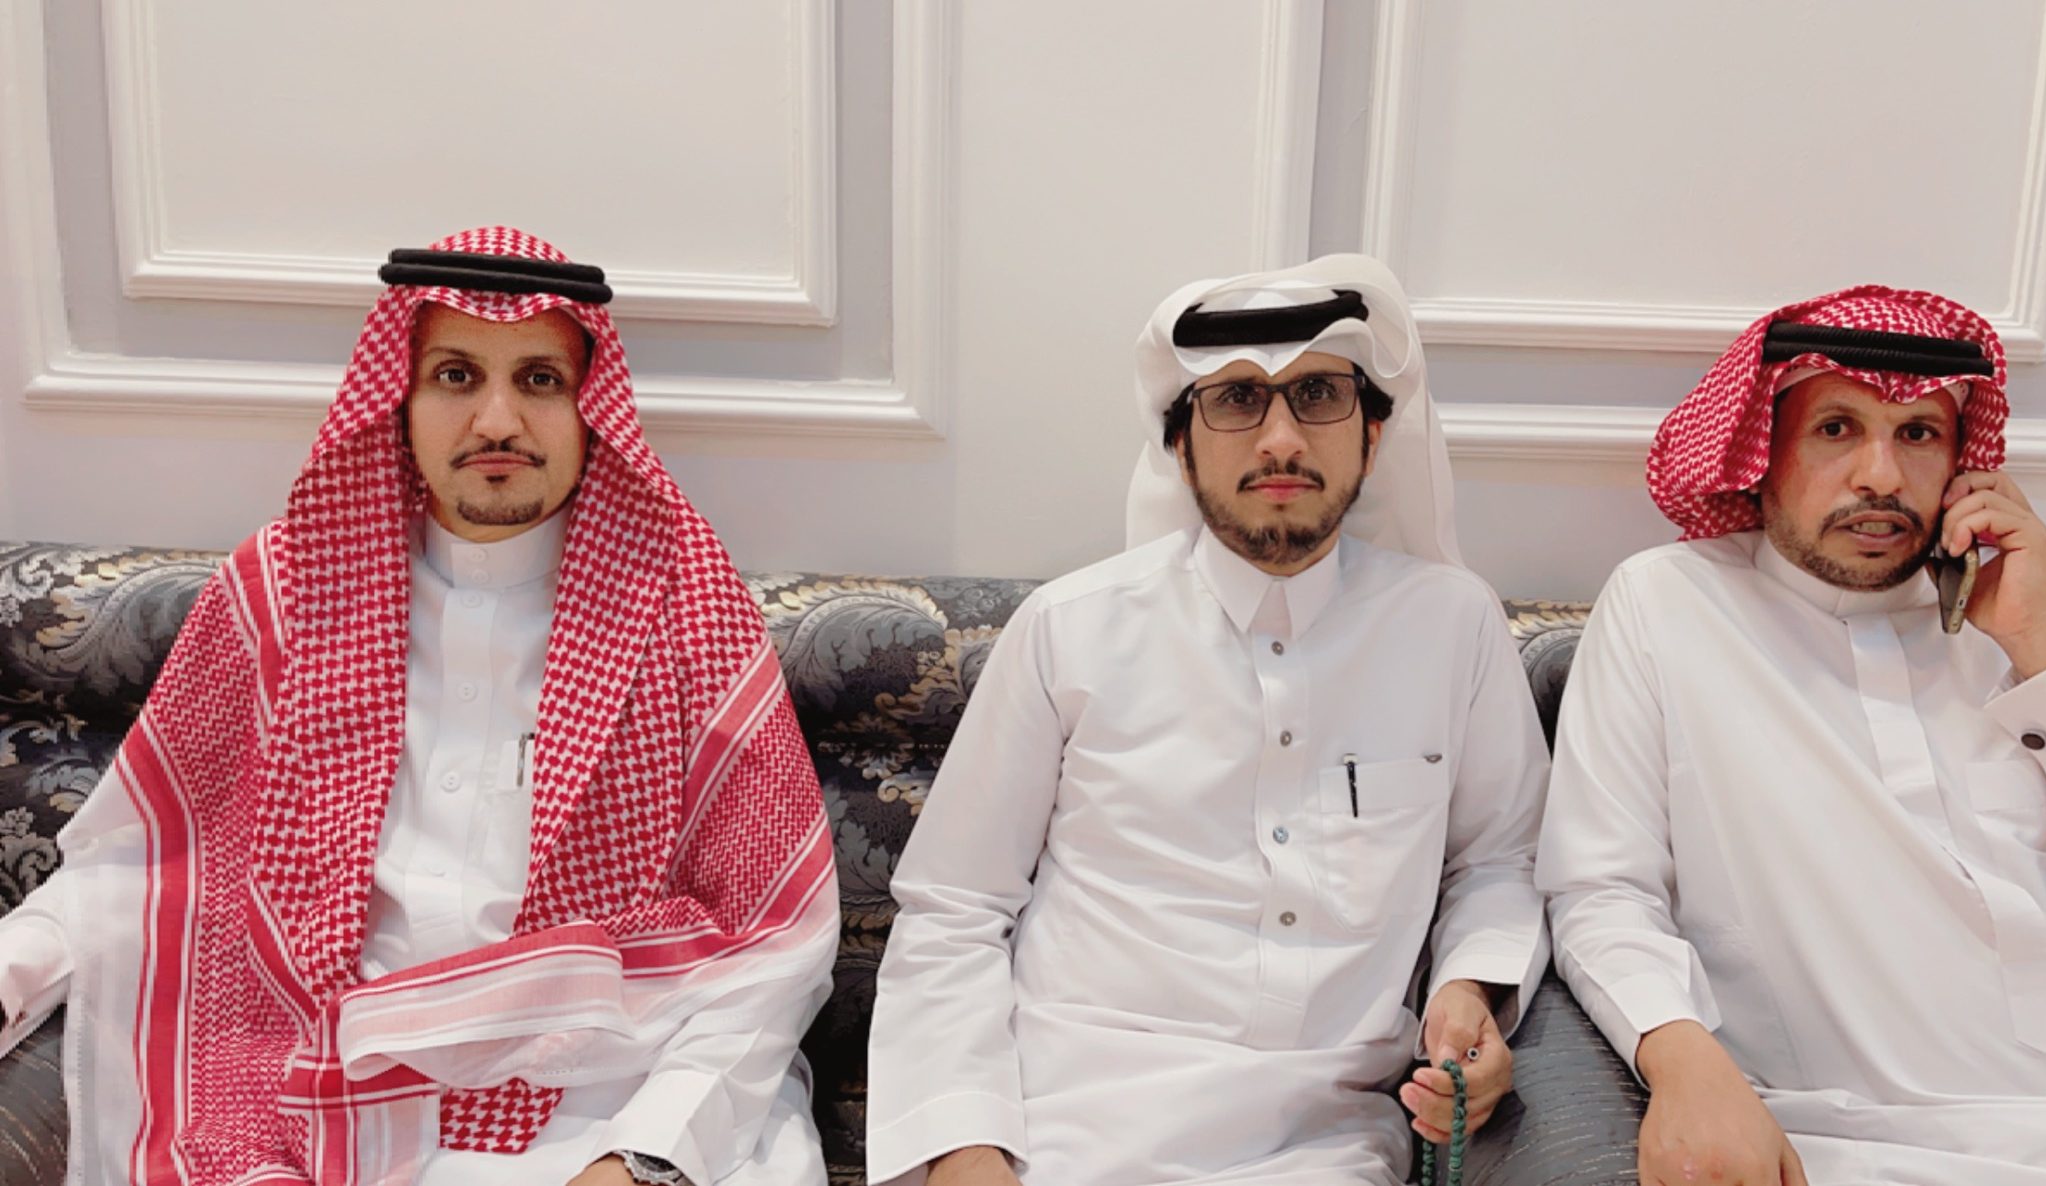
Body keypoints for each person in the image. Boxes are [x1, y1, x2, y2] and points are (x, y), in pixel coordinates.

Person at [0, 228, 837, 1186]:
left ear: (589, 407)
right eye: (454, 375)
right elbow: (139, 869)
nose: (496, 420)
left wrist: (647, 1155)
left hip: (616, 1088)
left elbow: (780, 937)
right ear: (397, 399)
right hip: (328, 1092)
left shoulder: (683, 607)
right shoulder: (286, 594)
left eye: (539, 380)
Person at [866, 255, 1550, 1186]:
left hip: (1323, 1149)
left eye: (1318, 394)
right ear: (1181, 444)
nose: (1281, 438)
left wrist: (1469, 991)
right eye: (1236, 399)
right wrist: (964, 1150)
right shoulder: (1069, 629)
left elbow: (1498, 862)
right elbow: (955, 907)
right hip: (1057, 1131)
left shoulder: (1454, 626)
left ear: (1373, 433)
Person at [1538, 285, 2046, 1185]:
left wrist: (2045, 652)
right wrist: (1680, 1057)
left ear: (1962, 464)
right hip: (1856, 1147)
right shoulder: (1668, 605)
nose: (1882, 477)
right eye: (1836, 429)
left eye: (1919, 434)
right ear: (1762, 452)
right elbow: (1601, 889)